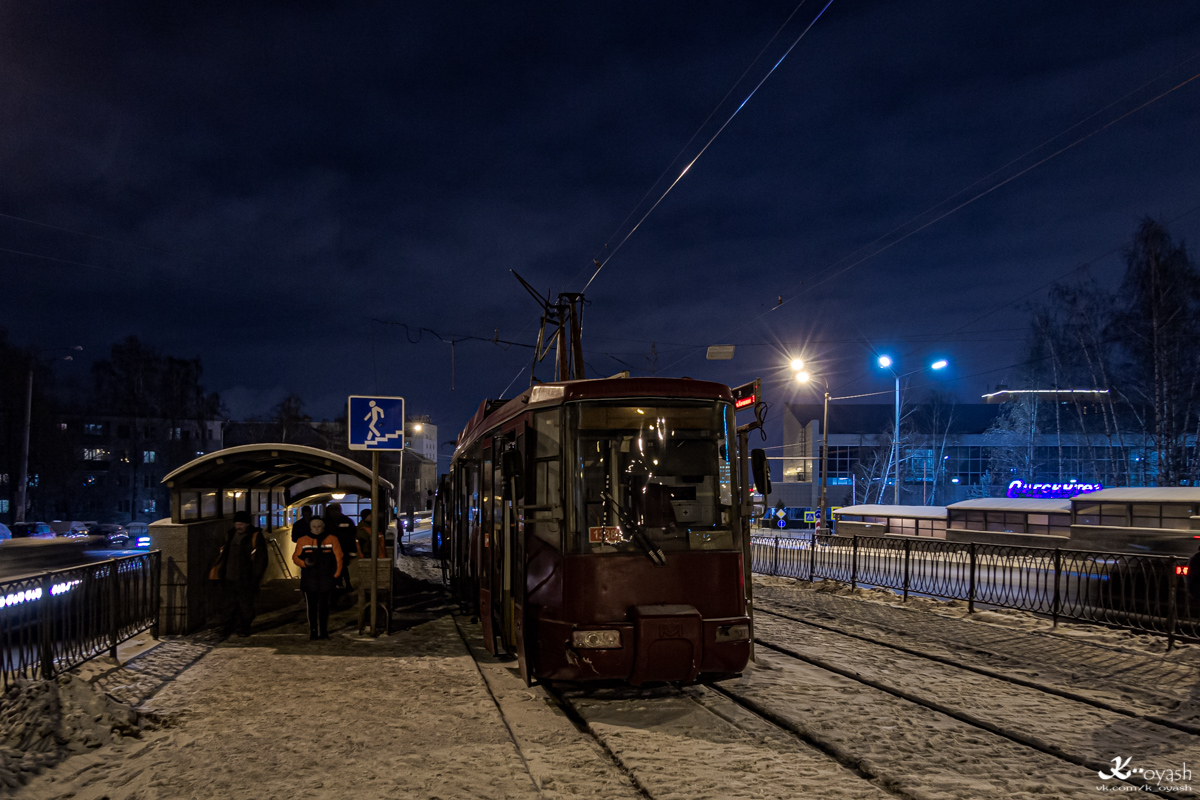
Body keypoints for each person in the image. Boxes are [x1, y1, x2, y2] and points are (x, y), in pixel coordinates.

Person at [210, 510, 268, 637]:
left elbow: (261, 559)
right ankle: (228, 626)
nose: (238, 526)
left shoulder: (255, 536)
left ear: (247, 524)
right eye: (237, 524)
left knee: (245, 605)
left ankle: (243, 627)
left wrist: (256, 577)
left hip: (246, 577)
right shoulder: (230, 534)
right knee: (228, 604)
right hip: (229, 576)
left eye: (241, 524)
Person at [292, 517, 343, 640]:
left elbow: (339, 558)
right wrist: (304, 563)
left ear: (323, 527)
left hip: (326, 578)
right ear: (310, 527)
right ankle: (313, 631)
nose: (317, 529)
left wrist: (335, 575)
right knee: (312, 607)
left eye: (319, 526)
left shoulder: (332, 539)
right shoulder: (303, 540)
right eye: (314, 526)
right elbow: (295, 558)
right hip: (310, 579)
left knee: (324, 607)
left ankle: (324, 631)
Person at [326, 503, 358, 593]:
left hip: (339, 550)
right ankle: (341, 585)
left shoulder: (327, 522)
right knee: (341, 568)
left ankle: (340, 585)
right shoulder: (346, 521)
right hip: (338, 550)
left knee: (341, 568)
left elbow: (351, 537)